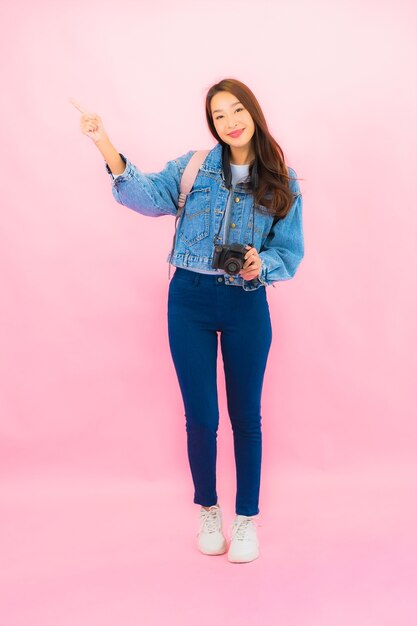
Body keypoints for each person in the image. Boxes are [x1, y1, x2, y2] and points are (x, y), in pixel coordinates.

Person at [70, 78, 304, 564]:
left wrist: (265, 264)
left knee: (247, 418)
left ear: (253, 114)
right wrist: (103, 142)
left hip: (246, 302)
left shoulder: (282, 177)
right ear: (212, 124)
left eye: (237, 110)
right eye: (219, 116)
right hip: (189, 300)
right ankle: (208, 511)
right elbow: (147, 195)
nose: (230, 122)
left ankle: (246, 520)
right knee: (201, 417)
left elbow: (289, 251)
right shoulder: (194, 167)